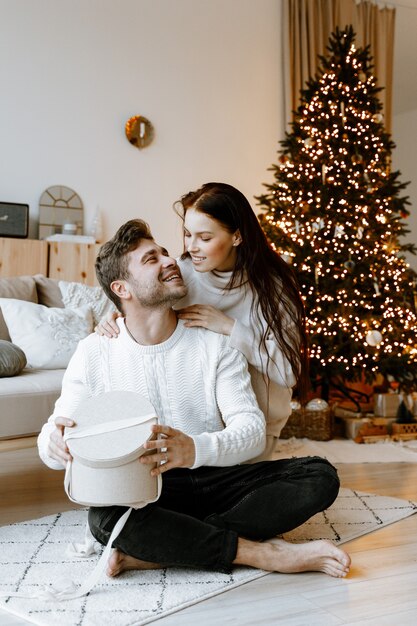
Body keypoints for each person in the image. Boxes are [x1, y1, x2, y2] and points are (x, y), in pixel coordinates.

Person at [38, 219, 350, 579]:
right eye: (151, 259)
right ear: (121, 288)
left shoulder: (212, 343)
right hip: (148, 487)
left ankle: (162, 550)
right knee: (104, 518)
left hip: (217, 477)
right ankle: (260, 554)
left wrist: (194, 449)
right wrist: (56, 443)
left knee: (318, 475)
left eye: (165, 252)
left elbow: (250, 429)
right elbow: (57, 431)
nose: (170, 260)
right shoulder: (94, 351)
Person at [97, 182, 308, 459]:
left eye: (205, 238)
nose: (190, 247)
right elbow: (131, 296)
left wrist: (230, 328)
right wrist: (111, 317)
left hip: (253, 430)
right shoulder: (181, 273)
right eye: (187, 234)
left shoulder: (274, 286)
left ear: (237, 236)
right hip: (191, 428)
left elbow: (288, 372)